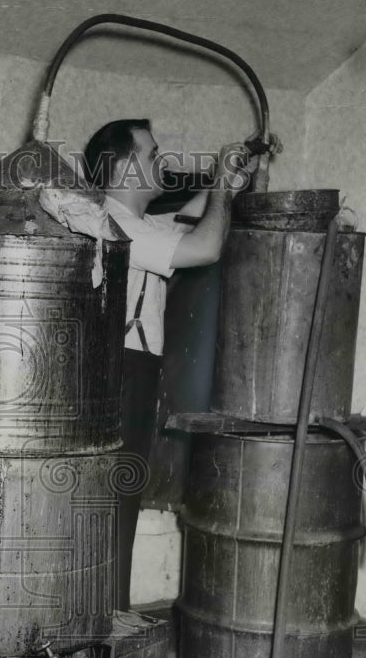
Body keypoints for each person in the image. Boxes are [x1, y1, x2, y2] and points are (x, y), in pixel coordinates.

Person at [82, 118, 254, 610]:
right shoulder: (117, 226)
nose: (163, 162)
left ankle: (107, 618)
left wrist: (228, 181)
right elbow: (206, 245)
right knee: (112, 507)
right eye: (153, 154)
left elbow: (193, 218)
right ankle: (102, 625)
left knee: (119, 505)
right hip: (122, 374)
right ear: (124, 165)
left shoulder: (136, 224)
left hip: (130, 372)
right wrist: (221, 183)